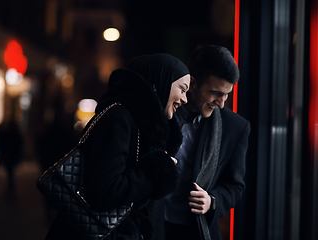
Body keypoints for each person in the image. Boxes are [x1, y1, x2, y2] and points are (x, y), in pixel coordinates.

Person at [45, 53, 190, 240]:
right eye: (182, 89)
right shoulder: (119, 118)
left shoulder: (142, 125)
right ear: (161, 81)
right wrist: (155, 173)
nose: (185, 99)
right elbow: (106, 189)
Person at [164, 45, 251, 240]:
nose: (221, 103)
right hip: (152, 226)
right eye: (216, 93)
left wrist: (212, 200)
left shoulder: (236, 127)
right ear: (193, 83)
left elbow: (235, 186)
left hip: (195, 231)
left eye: (226, 94)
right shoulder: (163, 113)